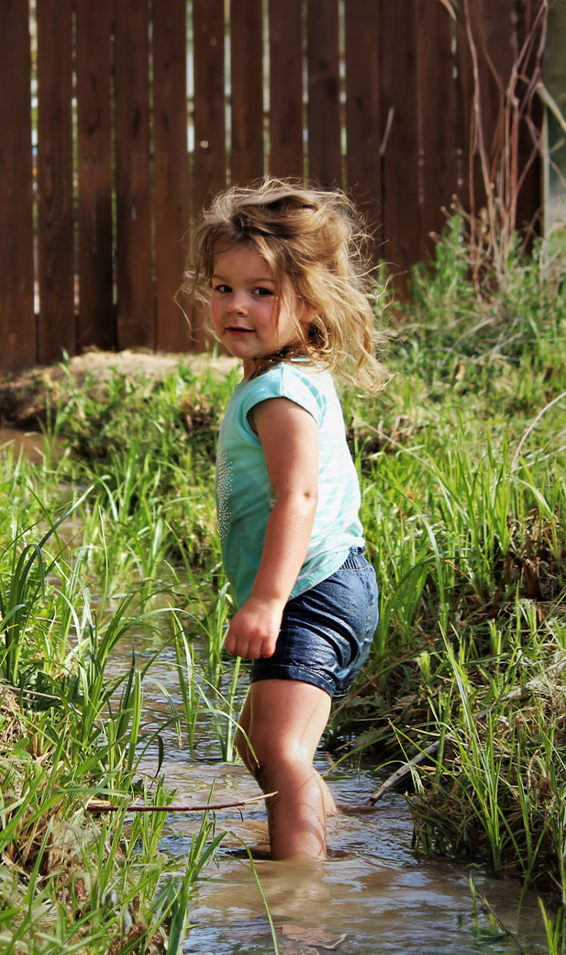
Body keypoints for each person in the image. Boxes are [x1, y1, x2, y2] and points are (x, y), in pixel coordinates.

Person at [180, 178, 387, 862]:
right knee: (261, 742)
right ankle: (335, 835)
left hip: (311, 591)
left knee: (277, 746)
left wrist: (268, 599)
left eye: (262, 291)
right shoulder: (289, 375)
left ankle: (299, 903)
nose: (236, 305)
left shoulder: (277, 391)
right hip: (325, 588)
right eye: (222, 286)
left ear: (310, 301)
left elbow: (298, 497)